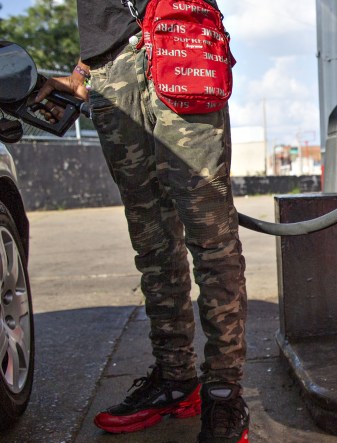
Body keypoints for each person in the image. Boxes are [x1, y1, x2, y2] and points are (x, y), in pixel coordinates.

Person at [35, 1, 249, 442]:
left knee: (212, 237)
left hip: (177, 45)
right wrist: (84, 70)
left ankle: (224, 391)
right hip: (108, 73)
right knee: (152, 242)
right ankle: (175, 379)